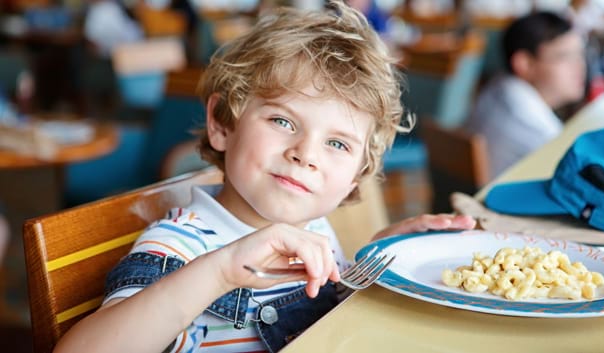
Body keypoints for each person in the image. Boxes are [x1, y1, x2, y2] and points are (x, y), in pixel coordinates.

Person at [54, 2, 475, 352]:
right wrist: (221, 271)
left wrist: (373, 262)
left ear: (354, 180)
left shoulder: (316, 229)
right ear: (222, 123)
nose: (305, 154)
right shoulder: (183, 245)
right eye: (282, 120)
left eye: (338, 144)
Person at [463, 11, 586, 179]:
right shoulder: (540, 133)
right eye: (565, 57)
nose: (579, 66)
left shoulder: (496, 88)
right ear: (524, 63)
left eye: (580, 54)